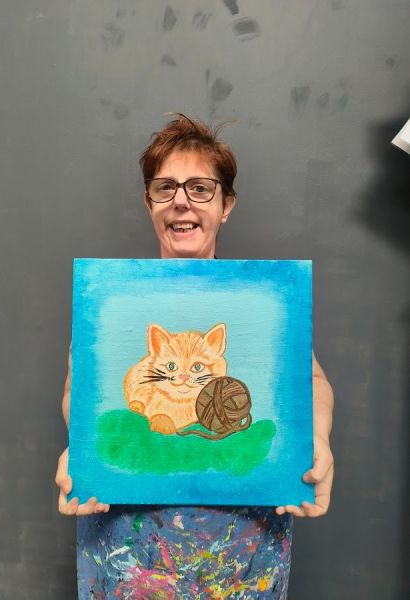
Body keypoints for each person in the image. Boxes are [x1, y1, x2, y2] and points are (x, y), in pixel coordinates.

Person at [55, 114, 334, 598]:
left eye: (200, 188)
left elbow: (312, 381)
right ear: (149, 202)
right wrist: (81, 447)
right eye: (165, 188)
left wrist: (319, 441)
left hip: (242, 542)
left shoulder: (259, 299)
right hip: (127, 544)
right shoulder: (114, 299)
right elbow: (76, 391)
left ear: (226, 205)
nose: (181, 201)